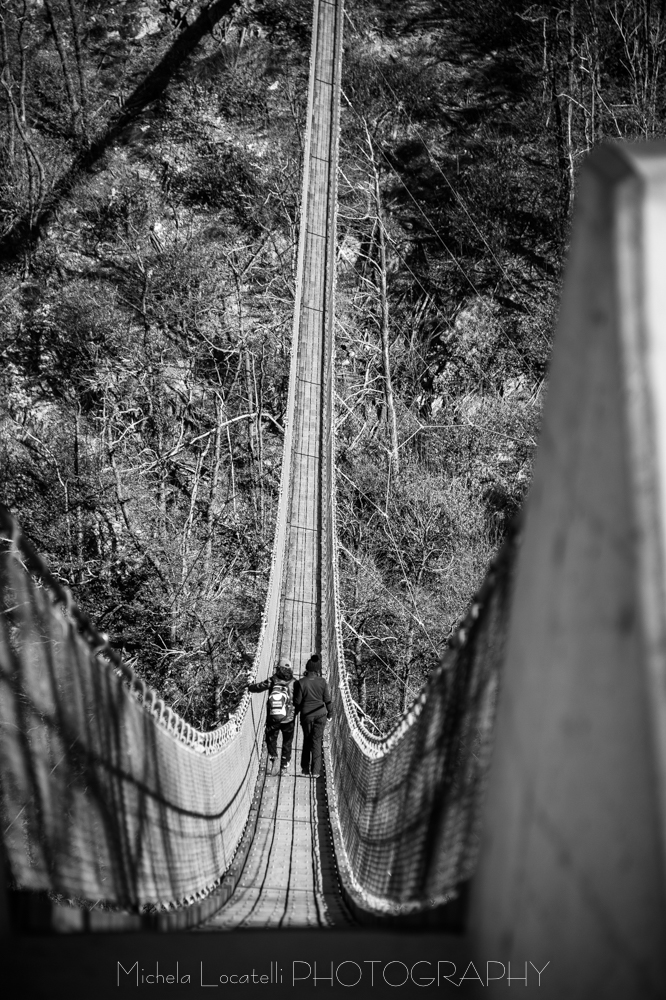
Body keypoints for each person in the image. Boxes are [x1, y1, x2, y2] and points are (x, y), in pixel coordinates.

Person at [247, 658, 296, 774]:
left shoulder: (273, 680)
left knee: (271, 738)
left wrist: (249, 687)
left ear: (279, 668)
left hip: (273, 717)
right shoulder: (294, 682)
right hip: (288, 718)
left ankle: (273, 756)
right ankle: (284, 765)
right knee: (287, 742)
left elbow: (259, 687)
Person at [294, 653, 331, 779]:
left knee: (307, 740)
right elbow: (327, 699)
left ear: (307, 668)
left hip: (306, 716)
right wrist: (330, 713)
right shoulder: (322, 682)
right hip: (321, 715)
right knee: (316, 742)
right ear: (317, 669)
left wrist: (294, 715)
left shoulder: (301, 682)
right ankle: (316, 771)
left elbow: (297, 702)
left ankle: (305, 769)